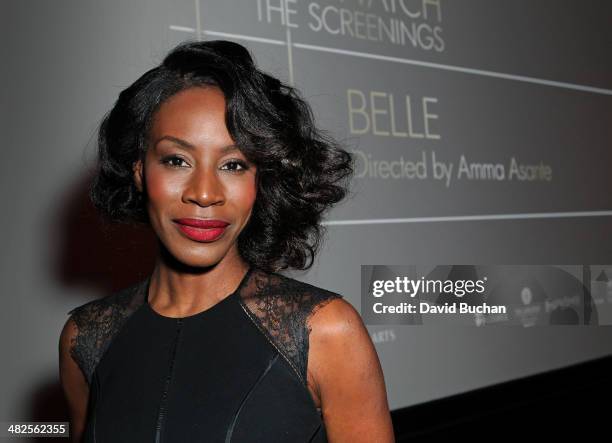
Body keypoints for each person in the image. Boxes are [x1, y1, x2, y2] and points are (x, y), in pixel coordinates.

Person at [58, 39, 394, 443]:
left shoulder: (324, 331)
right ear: (140, 171)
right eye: (176, 160)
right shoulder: (85, 338)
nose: (204, 192)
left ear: (260, 180)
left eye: (234, 165)